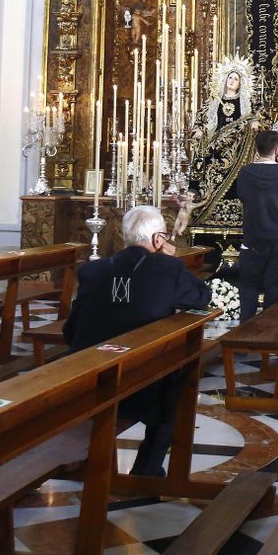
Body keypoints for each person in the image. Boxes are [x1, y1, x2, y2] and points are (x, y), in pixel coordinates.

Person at [64, 204, 211, 477]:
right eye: (164, 236)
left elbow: (70, 332)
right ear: (158, 240)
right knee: (178, 386)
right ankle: (146, 469)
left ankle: (93, 461)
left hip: (85, 379)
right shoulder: (168, 268)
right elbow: (202, 297)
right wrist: (173, 258)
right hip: (143, 386)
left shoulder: (93, 271)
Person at [228, 129, 278, 322]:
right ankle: (269, 335)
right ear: (277, 149)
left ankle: (244, 335)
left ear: (256, 149)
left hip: (253, 239)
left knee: (248, 285)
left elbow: (241, 197)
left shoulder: (245, 173)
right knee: (275, 286)